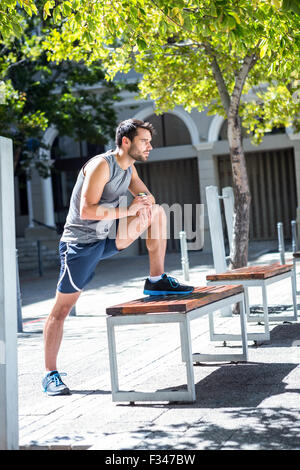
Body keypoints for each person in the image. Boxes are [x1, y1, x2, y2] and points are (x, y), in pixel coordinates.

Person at [42, 118, 194, 396]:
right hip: (80, 245)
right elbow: (87, 211)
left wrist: (144, 203)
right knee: (61, 310)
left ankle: (156, 280)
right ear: (126, 142)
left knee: (157, 212)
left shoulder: (129, 168)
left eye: (149, 141)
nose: (150, 146)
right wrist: (130, 210)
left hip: (106, 238)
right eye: (144, 141)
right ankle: (50, 374)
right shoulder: (102, 165)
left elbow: (145, 195)